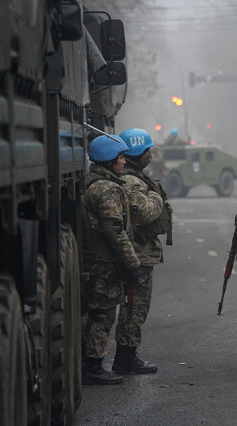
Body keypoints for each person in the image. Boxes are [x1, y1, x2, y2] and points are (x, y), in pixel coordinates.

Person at [81, 135, 140, 385]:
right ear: (109, 160)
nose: (124, 162)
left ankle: (88, 362)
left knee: (95, 311)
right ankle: (94, 365)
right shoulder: (107, 188)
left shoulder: (91, 182)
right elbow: (115, 230)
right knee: (102, 314)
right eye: (121, 158)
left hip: (94, 260)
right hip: (104, 263)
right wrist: (132, 263)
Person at [113, 128, 171, 375]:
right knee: (134, 308)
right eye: (147, 150)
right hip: (136, 254)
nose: (151, 154)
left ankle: (127, 355)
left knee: (134, 307)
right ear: (139, 152)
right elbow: (145, 213)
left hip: (138, 252)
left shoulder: (133, 177)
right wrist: (157, 199)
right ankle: (126, 358)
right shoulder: (132, 182)